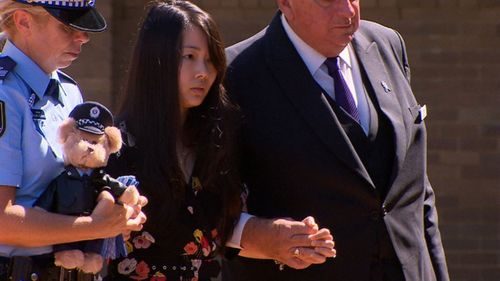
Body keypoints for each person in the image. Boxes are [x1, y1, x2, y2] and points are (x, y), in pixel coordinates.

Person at [104, 1, 335, 280]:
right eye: (189, 56)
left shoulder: (213, 142)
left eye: (211, 60)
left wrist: (289, 239)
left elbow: (226, 231)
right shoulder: (115, 146)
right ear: (156, 59)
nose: (204, 71)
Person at [224, 0, 450, 280]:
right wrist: (264, 238)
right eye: (328, 1)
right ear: (286, 4)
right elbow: (207, 207)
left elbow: (417, 192)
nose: (348, 12)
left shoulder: (388, 44)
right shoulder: (236, 75)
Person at [0, 0, 146, 280]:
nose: (83, 37)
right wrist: (96, 226)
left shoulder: (68, 92)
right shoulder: (4, 93)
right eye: (68, 27)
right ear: (23, 21)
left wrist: (116, 210)